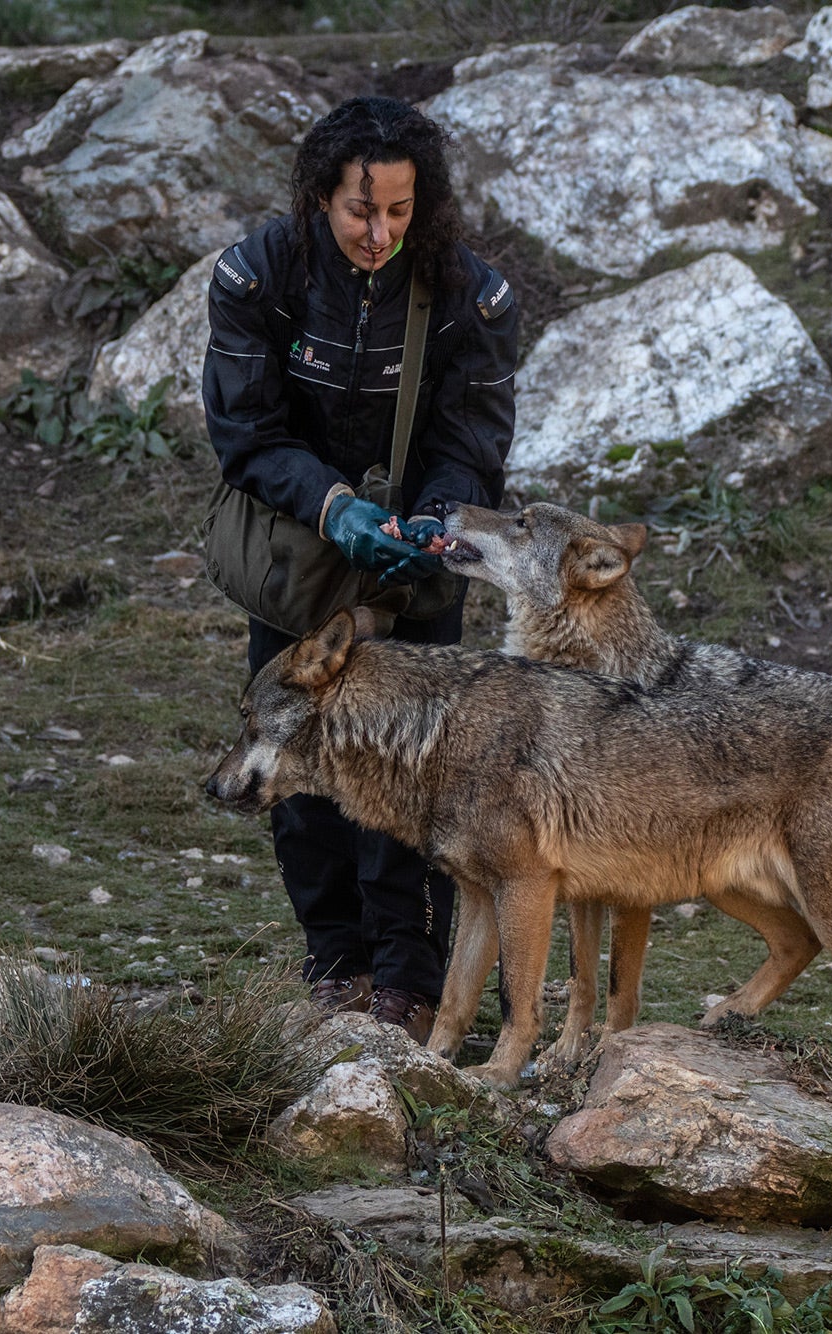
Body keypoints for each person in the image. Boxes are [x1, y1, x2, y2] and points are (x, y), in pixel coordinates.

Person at [202, 96, 520, 1042]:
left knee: (417, 772)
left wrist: (429, 520)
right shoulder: (258, 276)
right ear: (318, 198)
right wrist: (335, 505)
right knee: (299, 764)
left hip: (416, 567)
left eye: (398, 210)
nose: (379, 232)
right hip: (300, 558)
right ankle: (334, 964)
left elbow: (474, 437)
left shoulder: (471, 293)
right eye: (358, 211)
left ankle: (409, 981)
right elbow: (245, 432)